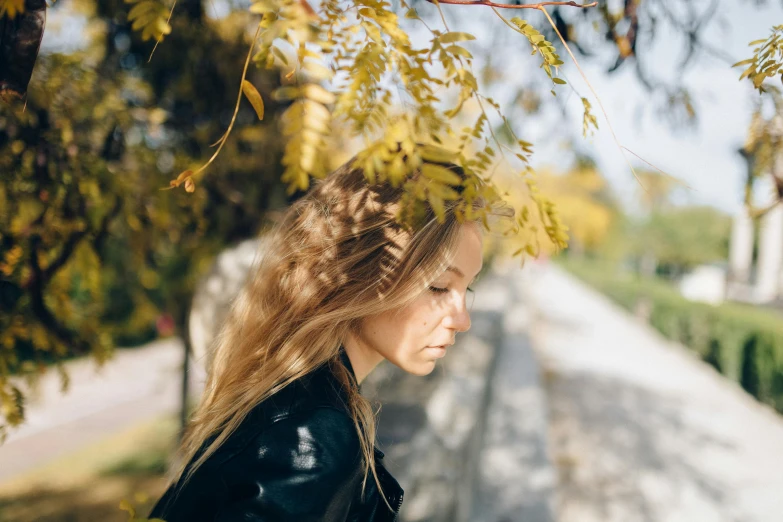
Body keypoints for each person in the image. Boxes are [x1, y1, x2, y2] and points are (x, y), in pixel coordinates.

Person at [148, 147, 503, 521]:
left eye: (468, 290)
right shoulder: (312, 441)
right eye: (438, 286)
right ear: (365, 271)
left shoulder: (289, 396)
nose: (462, 320)